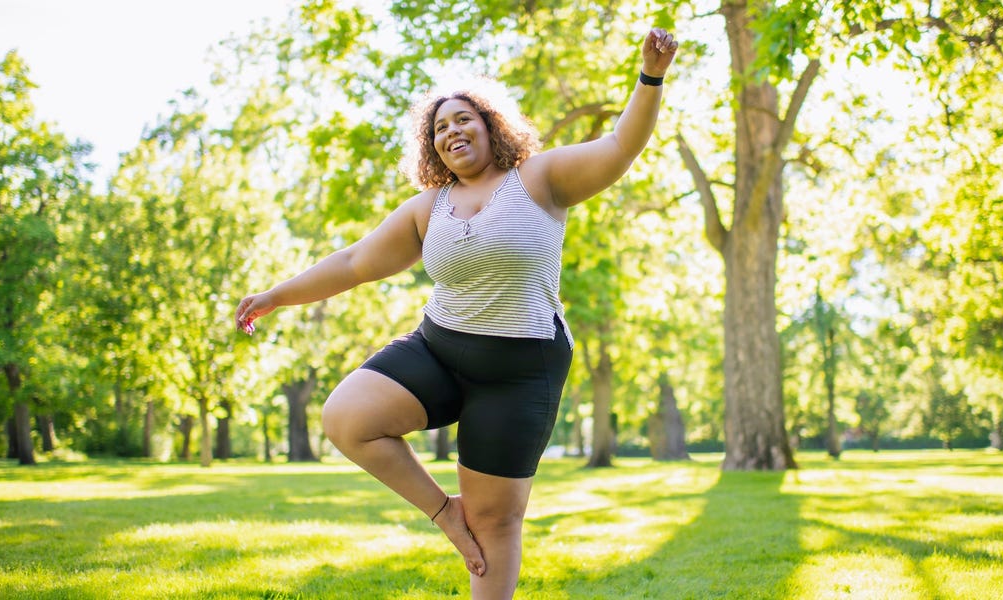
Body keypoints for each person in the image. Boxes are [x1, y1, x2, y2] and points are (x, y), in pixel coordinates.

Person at [234, 27, 678, 600]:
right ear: (432, 147)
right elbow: (353, 263)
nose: (452, 131)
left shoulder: (538, 179)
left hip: (521, 367)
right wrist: (275, 296)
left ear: (492, 127)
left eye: (463, 119)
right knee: (348, 418)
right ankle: (445, 514)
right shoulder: (428, 208)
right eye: (440, 127)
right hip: (440, 348)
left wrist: (650, 76)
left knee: (495, 523)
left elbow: (620, 145)